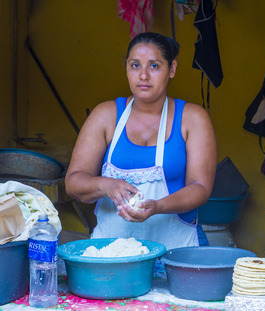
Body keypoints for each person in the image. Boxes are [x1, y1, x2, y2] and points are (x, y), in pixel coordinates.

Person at [65, 32, 217, 250]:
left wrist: (156, 206)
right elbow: (73, 183)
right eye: (135, 65)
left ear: (172, 69)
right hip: (112, 252)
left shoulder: (192, 118)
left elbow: (200, 187)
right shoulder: (106, 115)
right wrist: (105, 185)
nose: (143, 75)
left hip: (177, 251)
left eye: (154, 66)